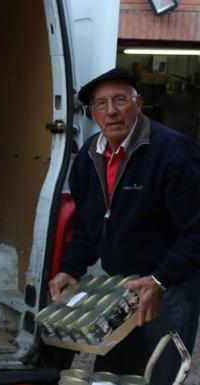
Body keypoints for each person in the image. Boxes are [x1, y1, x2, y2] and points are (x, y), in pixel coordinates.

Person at [48, 67, 200, 384]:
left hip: (170, 284)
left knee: (156, 373)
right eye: (101, 104)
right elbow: (88, 226)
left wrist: (161, 279)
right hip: (121, 285)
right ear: (93, 113)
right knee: (114, 372)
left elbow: (196, 229)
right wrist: (71, 268)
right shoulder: (88, 157)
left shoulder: (172, 151)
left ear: (138, 103)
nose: (112, 111)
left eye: (120, 100)